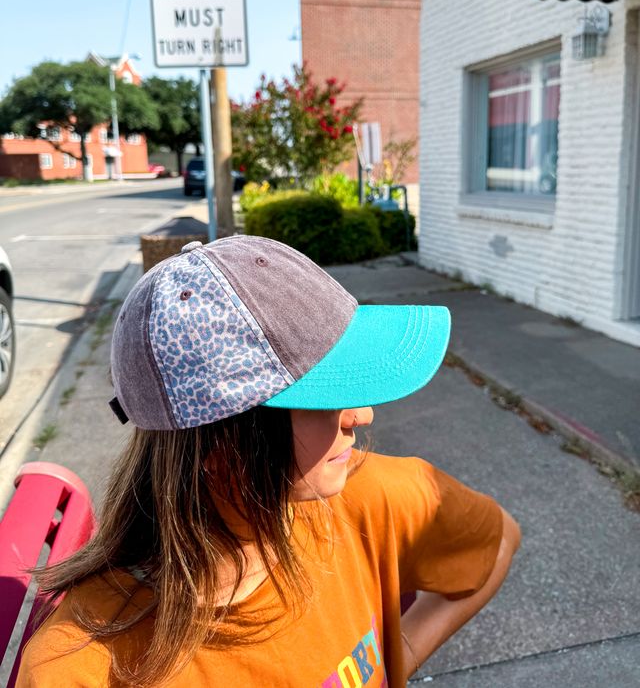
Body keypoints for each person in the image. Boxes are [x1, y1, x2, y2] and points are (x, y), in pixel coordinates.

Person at [18, 235, 521, 687]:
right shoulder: (84, 667)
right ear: (222, 446)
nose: (362, 414)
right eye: (326, 394)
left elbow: (497, 541)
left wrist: (396, 658)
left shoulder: (370, 499)